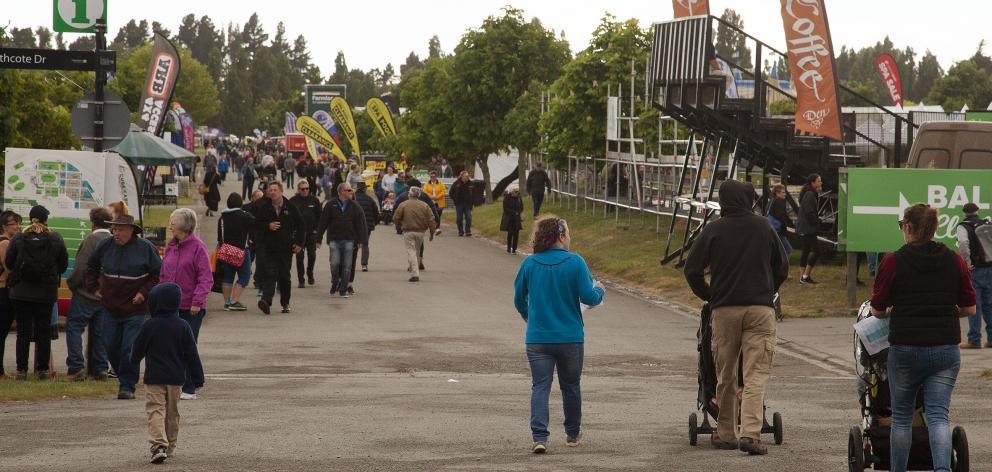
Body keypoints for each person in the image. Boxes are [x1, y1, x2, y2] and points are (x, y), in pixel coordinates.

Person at [683, 180, 789, 455]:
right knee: (755, 374)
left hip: (724, 309)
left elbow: (692, 269)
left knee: (725, 373)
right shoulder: (763, 226)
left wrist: (709, 295)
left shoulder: (714, 229)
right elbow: (782, 266)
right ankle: (751, 434)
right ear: (748, 199)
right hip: (759, 309)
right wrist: (769, 290)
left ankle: (726, 432)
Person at [871, 204, 976, 472]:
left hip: (905, 348)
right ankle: (942, 469)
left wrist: (893, 311)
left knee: (903, 417)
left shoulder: (893, 261)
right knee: (939, 415)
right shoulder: (954, 260)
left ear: (907, 227)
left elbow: (877, 309)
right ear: (934, 228)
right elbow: (969, 308)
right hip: (944, 349)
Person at [512, 216, 605, 454]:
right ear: (561, 236)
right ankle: (573, 433)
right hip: (570, 337)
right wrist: (600, 290)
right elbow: (589, 297)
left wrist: (527, 315)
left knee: (540, 386)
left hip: (538, 337)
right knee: (571, 385)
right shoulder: (575, 262)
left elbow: (518, 297)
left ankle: (539, 436)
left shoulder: (530, 263)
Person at [86, 214, 162, 399]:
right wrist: (94, 287)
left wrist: (143, 293)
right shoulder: (105, 246)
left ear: (131, 231)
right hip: (110, 307)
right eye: (115, 229)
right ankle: (123, 375)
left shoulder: (146, 248)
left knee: (130, 348)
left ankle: (127, 386)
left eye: (120, 230)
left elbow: (157, 274)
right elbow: (91, 267)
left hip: (135, 309)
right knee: (110, 345)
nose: (116, 233)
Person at [130, 282, 205, 464]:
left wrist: (131, 362)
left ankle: (158, 445)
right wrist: (197, 377)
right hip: (176, 378)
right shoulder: (183, 326)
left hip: (154, 377)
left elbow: (137, 349)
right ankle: (170, 446)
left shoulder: (149, 325)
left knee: (155, 410)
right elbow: (191, 354)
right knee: (172, 412)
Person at [5, 206, 69, 381]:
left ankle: (21, 370)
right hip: (46, 292)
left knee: (23, 332)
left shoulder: (19, 236)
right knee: (43, 332)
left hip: (21, 292)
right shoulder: (55, 237)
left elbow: (9, 262)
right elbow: (63, 264)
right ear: (46, 219)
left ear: (30, 218)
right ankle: (42, 370)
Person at [159, 208, 213, 400]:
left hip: (191, 308)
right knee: (170, 346)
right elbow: (164, 275)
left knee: (187, 345)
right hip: (171, 307)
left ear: (183, 225)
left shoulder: (198, 247)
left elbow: (206, 278)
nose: (170, 225)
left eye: (173, 222)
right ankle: (175, 382)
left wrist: (197, 301)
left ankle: (190, 385)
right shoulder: (171, 246)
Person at [65, 207, 113, 381]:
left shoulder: (91, 240)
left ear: (93, 222)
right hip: (106, 295)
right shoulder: (113, 240)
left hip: (86, 294)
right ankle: (100, 368)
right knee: (100, 332)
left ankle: (76, 367)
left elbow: (81, 269)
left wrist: (73, 285)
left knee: (75, 327)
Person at [250, 181, 305, 314]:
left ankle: (285, 303)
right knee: (270, 274)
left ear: (281, 191)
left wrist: (299, 243)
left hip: (286, 248)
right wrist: (267, 226)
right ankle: (266, 301)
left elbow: (301, 225)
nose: (272, 192)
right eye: (271, 190)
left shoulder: (290, 207)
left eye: (275, 190)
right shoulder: (264, 207)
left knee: (284, 277)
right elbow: (256, 224)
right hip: (269, 248)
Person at [315, 183, 367, 297]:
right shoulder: (330, 204)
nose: (351, 192)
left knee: (347, 266)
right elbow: (323, 222)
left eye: (351, 190)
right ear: (341, 192)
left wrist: (361, 240)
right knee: (334, 264)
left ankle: (343, 289)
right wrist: (318, 239)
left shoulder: (355, 206)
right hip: (334, 239)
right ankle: (335, 282)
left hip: (349, 240)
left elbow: (360, 224)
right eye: (348, 190)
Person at [955, 202, 992, 349]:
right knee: (989, 304)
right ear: (977, 211)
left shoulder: (963, 226)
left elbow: (963, 243)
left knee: (974, 304)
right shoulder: (987, 223)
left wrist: (967, 262)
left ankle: (974, 340)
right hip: (990, 267)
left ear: (964, 213)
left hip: (975, 269)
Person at [218, 193, 255, 311]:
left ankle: (227, 302)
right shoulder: (245, 216)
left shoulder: (222, 217)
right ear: (240, 203)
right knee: (244, 275)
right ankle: (234, 301)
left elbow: (220, 236)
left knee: (228, 276)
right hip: (241, 251)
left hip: (225, 250)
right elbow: (255, 228)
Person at [393, 187, 437, 283]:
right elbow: (431, 219)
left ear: (409, 194)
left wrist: (398, 226)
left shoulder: (403, 205)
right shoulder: (425, 205)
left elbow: (396, 217)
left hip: (408, 231)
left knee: (411, 251)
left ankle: (415, 274)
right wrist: (432, 232)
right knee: (416, 251)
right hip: (421, 232)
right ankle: (413, 267)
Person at [0, 211, 22, 380]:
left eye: (18, 223)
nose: (17, 226)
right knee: (2, 330)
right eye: (13, 224)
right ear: (4, 227)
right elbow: (9, 269)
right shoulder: (5, 243)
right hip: (3, 289)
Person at [289, 180, 322, 288]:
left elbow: (320, 217)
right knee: (300, 257)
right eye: (302, 189)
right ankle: (301, 279)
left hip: (311, 234)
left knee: (312, 255)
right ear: (299, 190)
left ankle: (310, 273)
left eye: (307, 188)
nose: (305, 191)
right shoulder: (293, 201)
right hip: (298, 235)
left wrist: (317, 232)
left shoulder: (314, 200)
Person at [797, 174, 822, 284]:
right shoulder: (810, 194)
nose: (821, 183)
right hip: (808, 228)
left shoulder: (808, 192)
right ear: (813, 183)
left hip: (804, 227)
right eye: (819, 181)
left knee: (806, 251)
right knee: (816, 251)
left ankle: (802, 277)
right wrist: (816, 222)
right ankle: (805, 276)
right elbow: (809, 212)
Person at [355, 184, 380, 273]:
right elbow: (376, 213)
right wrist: (374, 223)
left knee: (354, 244)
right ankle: (364, 264)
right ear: (364, 189)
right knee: (365, 244)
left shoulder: (353, 199)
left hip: (354, 226)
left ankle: (350, 263)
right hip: (367, 226)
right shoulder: (370, 199)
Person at [767, 184, 794, 255]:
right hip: (779, 230)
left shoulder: (771, 201)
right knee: (788, 250)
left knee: (776, 251)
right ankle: (783, 266)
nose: (785, 194)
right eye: (783, 192)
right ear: (777, 193)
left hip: (771, 229)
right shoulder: (779, 201)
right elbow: (782, 216)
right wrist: (787, 226)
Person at [451, 171, 475, 237]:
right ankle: (460, 231)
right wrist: (455, 200)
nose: (467, 177)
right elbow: (451, 193)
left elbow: (474, 194)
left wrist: (473, 203)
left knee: (469, 217)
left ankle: (468, 231)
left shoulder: (471, 184)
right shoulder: (456, 183)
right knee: (459, 218)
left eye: (468, 176)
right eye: (466, 176)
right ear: (462, 176)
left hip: (468, 204)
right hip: (459, 204)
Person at [502, 185, 524, 254]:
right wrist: (514, 212)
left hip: (517, 219)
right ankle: (509, 248)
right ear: (512, 191)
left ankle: (514, 249)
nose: (517, 193)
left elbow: (521, 207)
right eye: (516, 191)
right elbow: (505, 208)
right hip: (509, 218)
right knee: (510, 233)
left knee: (516, 234)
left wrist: (519, 212)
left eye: (518, 191)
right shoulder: (507, 198)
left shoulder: (519, 198)